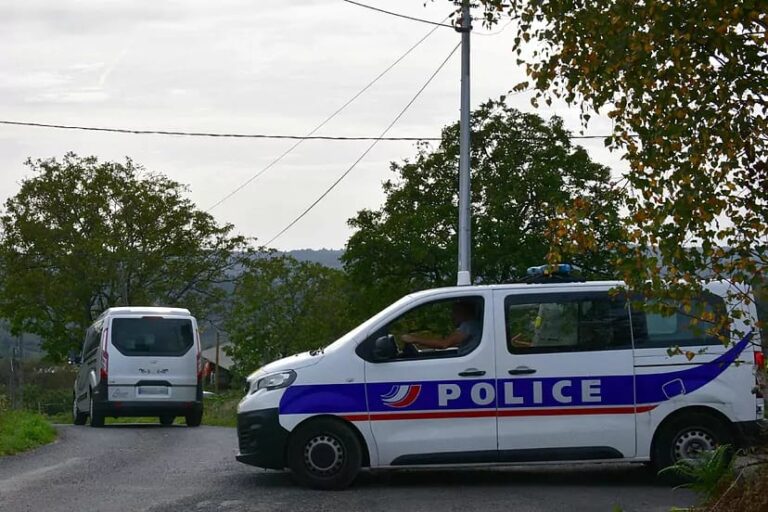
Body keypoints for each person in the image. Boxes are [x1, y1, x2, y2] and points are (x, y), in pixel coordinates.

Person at [401, 300, 482, 353]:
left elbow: (444, 344)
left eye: (456, 312)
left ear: (465, 312)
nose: (453, 316)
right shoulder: (474, 325)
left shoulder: (469, 326)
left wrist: (414, 339)